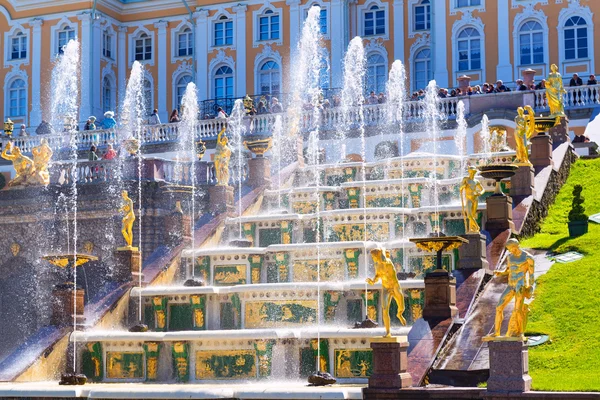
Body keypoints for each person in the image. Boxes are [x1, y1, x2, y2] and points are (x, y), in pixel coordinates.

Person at [491, 238, 534, 338]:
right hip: (511, 285)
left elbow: (531, 276)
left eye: (510, 248)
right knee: (499, 307)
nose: (509, 250)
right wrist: (501, 273)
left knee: (517, 310)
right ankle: (496, 332)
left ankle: (521, 333)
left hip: (520, 286)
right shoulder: (510, 257)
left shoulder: (528, 258)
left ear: (516, 246)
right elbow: (509, 270)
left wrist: (530, 288)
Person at [367, 248, 407, 337]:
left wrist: (382, 250)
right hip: (385, 287)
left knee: (401, 306)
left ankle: (399, 314)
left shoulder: (388, 262)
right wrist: (373, 281)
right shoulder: (377, 265)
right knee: (385, 310)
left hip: (395, 286)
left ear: (378, 255)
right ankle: (388, 332)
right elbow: (378, 275)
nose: (373, 258)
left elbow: (384, 256)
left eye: (373, 256)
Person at [460, 167, 486, 233]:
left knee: (473, 215)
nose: (472, 173)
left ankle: (472, 229)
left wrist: (480, 193)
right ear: (469, 172)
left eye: (473, 172)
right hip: (469, 199)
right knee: (469, 215)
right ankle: (477, 226)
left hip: (475, 199)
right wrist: (463, 186)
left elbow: (483, 189)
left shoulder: (476, 181)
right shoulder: (465, 179)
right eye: (471, 172)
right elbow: (460, 188)